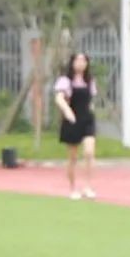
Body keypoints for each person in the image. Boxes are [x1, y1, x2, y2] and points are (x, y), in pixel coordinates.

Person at [54, 52, 98, 200]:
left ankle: (88, 186)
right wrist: (67, 112)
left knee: (89, 152)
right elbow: (59, 98)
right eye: (78, 60)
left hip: (87, 119)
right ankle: (72, 188)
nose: (81, 63)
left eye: (84, 60)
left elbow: (91, 99)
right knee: (72, 157)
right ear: (72, 63)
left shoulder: (90, 81)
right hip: (72, 120)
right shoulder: (65, 80)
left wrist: (91, 111)